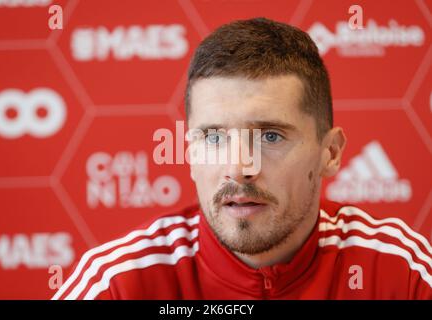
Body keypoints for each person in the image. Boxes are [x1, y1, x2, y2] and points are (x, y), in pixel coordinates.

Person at [52, 17, 432, 300]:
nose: (238, 167)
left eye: (270, 136)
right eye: (214, 137)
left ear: (329, 153)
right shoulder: (121, 284)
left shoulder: (400, 273)